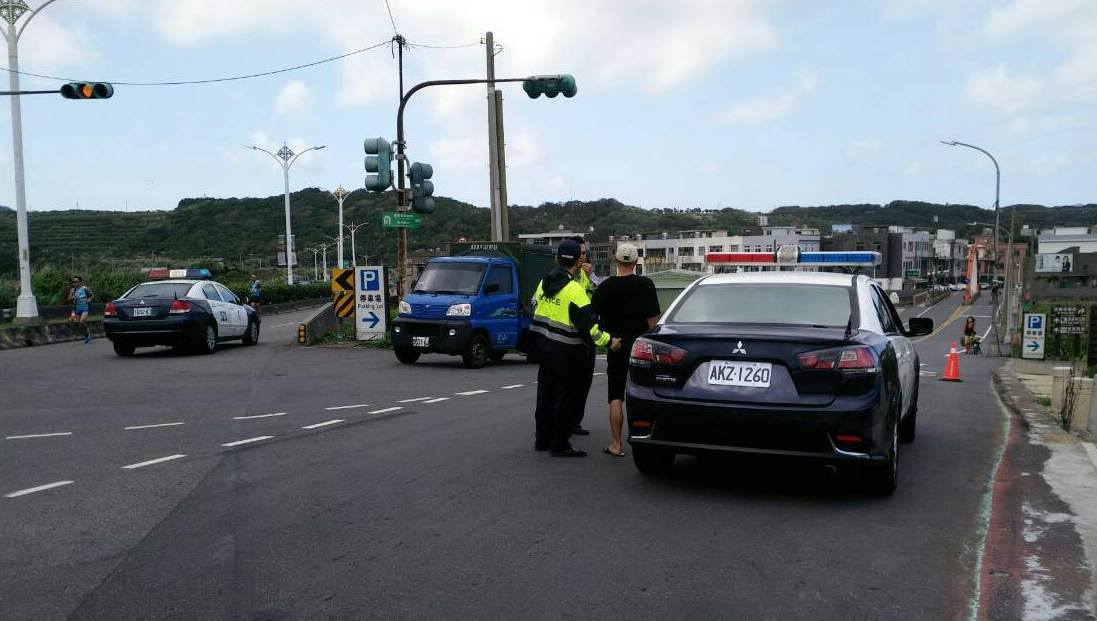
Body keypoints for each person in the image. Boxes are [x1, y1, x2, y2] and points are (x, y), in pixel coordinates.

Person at [532, 239, 621, 457]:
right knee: (565, 397)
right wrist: (611, 342)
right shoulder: (574, 290)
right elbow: (591, 328)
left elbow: (534, 304)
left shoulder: (544, 283)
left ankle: (542, 439)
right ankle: (560, 444)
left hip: (543, 345)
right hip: (566, 350)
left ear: (557, 259)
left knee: (545, 394)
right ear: (577, 263)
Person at [592, 243, 661, 457]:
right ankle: (649, 438)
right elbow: (653, 321)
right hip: (641, 347)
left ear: (616, 259)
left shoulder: (605, 287)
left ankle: (616, 444)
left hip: (616, 345)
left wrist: (607, 339)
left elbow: (593, 319)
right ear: (636, 261)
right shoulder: (645, 284)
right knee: (645, 391)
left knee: (616, 395)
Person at [570, 237, 601, 436]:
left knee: (584, 381)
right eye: (579, 254)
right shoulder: (563, 277)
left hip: (588, 335)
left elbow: (601, 292)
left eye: (584, 254)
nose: (582, 258)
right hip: (569, 335)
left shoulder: (586, 275)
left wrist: (591, 277)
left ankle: (575, 421)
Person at [68, 276, 92, 344]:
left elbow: (92, 295)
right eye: (73, 282)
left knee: (82, 321)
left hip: (85, 307)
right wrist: (72, 296)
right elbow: (69, 298)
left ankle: (88, 333)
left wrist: (89, 299)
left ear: (80, 282)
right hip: (78, 308)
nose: (74, 283)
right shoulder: (72, 290)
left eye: (76, 281)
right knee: (80, 325)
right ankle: (87, 333)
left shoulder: (85, 288)